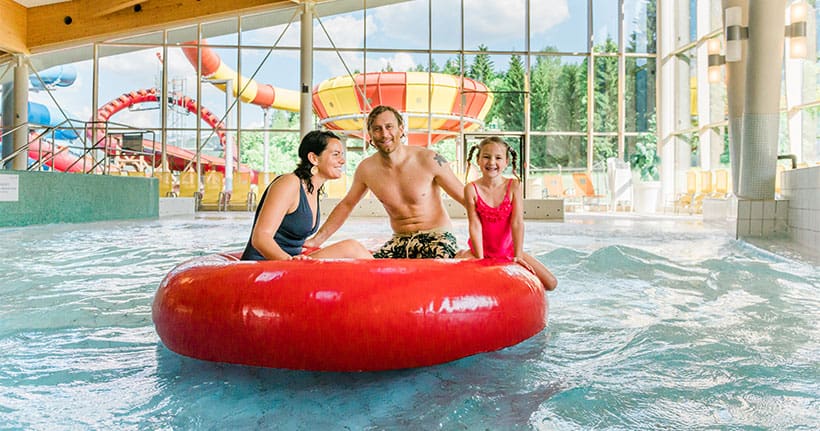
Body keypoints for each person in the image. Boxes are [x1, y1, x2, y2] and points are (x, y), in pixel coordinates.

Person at [304, 105, 466, 258]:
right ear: (371, 134)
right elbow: (346, 205)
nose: (384, 134)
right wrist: (317, 240)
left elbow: (468, 199)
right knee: (368, 268)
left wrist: (485, 239)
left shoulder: (429, 159)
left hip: (437, 237)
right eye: (377, 129)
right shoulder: (367, 169)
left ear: (401, 129)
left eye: (389, 127)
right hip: (400, 241)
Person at [241, 130, 373, 261]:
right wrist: (290, 263)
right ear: (314, 158)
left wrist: (314, 242)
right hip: (265, 267)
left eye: (342, 155)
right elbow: (260, 238)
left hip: (290, 262)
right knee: (351, 247)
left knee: (352, 248)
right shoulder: (289, 183)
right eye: (336, 154)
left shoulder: (313, 190)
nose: (342, 161)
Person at [458, 137, 558, 290]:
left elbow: (517, 222)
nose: (491, 162)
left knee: (551, 283)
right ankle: (462, 253)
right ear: (478, 160)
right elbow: (475, 224)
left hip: (508, 251)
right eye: (486, 157)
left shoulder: (514, 186)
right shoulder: (471, 189)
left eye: (498, 158)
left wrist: (517, 256)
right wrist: (479, 259)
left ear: (506, 162)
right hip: (480, 251)